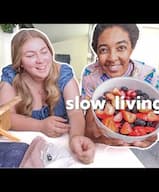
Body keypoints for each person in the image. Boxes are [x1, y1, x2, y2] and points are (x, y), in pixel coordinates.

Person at [0, 29, 95, 164]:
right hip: (25, 150)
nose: (40, 60)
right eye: (30, 55)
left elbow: (75, 111)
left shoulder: (64, 74)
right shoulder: (10, 77)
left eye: (44, 52)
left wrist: (76, 137)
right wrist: (40, 125)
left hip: (61, 149)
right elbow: (5, 117)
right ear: (19, 61)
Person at [81, 24, 159, 148]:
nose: (112, 58)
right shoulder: (90, 75)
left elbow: (155, 113)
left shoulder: (149, 75)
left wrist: (149, 134)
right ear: (96, 51)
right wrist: (90, 133)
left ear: (132, 48)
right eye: (103, 49)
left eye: (121, 47)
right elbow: (87, 117)